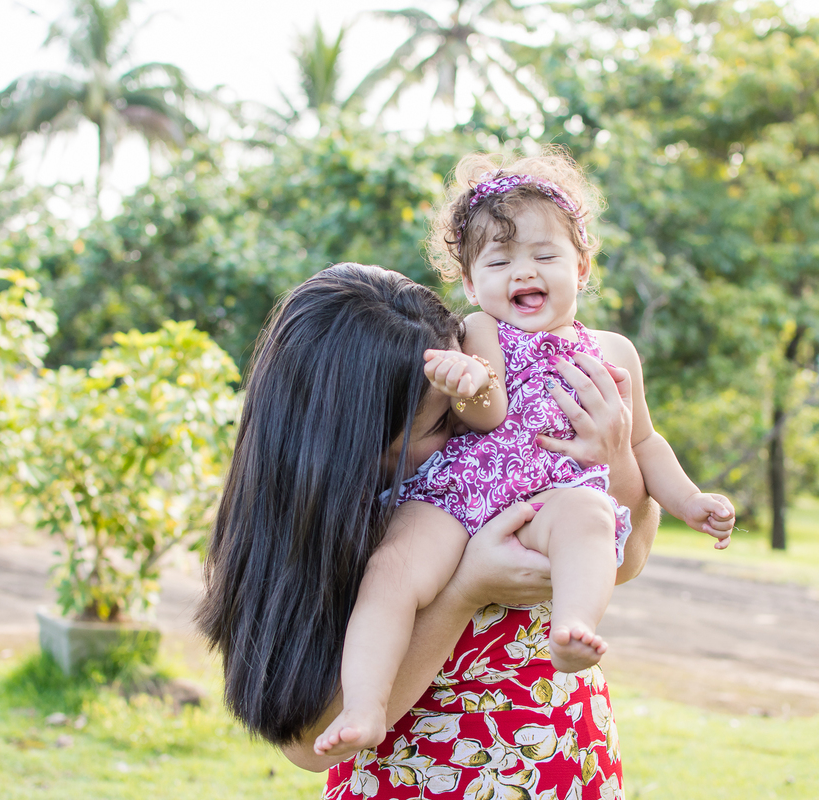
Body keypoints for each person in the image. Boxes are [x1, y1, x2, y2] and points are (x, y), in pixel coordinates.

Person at [316, 151, 736, 761]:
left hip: (552, 498)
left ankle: (573, 627)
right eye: (499, 261)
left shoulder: (615, 351)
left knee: (590, 520)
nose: (523, 273)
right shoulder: (478, 331)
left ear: (581, 267)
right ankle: (363, 704)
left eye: (544, 256)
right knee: (392, 569)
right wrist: (471, 383)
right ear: (470, 283)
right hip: (461, 493)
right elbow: (487, 414)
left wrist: (690, 500)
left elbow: (643, 443)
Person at [197, 262, 660, 797]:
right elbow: (306, 745)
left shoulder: (494, 426)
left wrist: (616, 455)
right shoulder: (339, 525)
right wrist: (464, 591)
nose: (473, 424)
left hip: (568, 767)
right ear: (356, 442)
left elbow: (626, 561)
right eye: (442, 421)